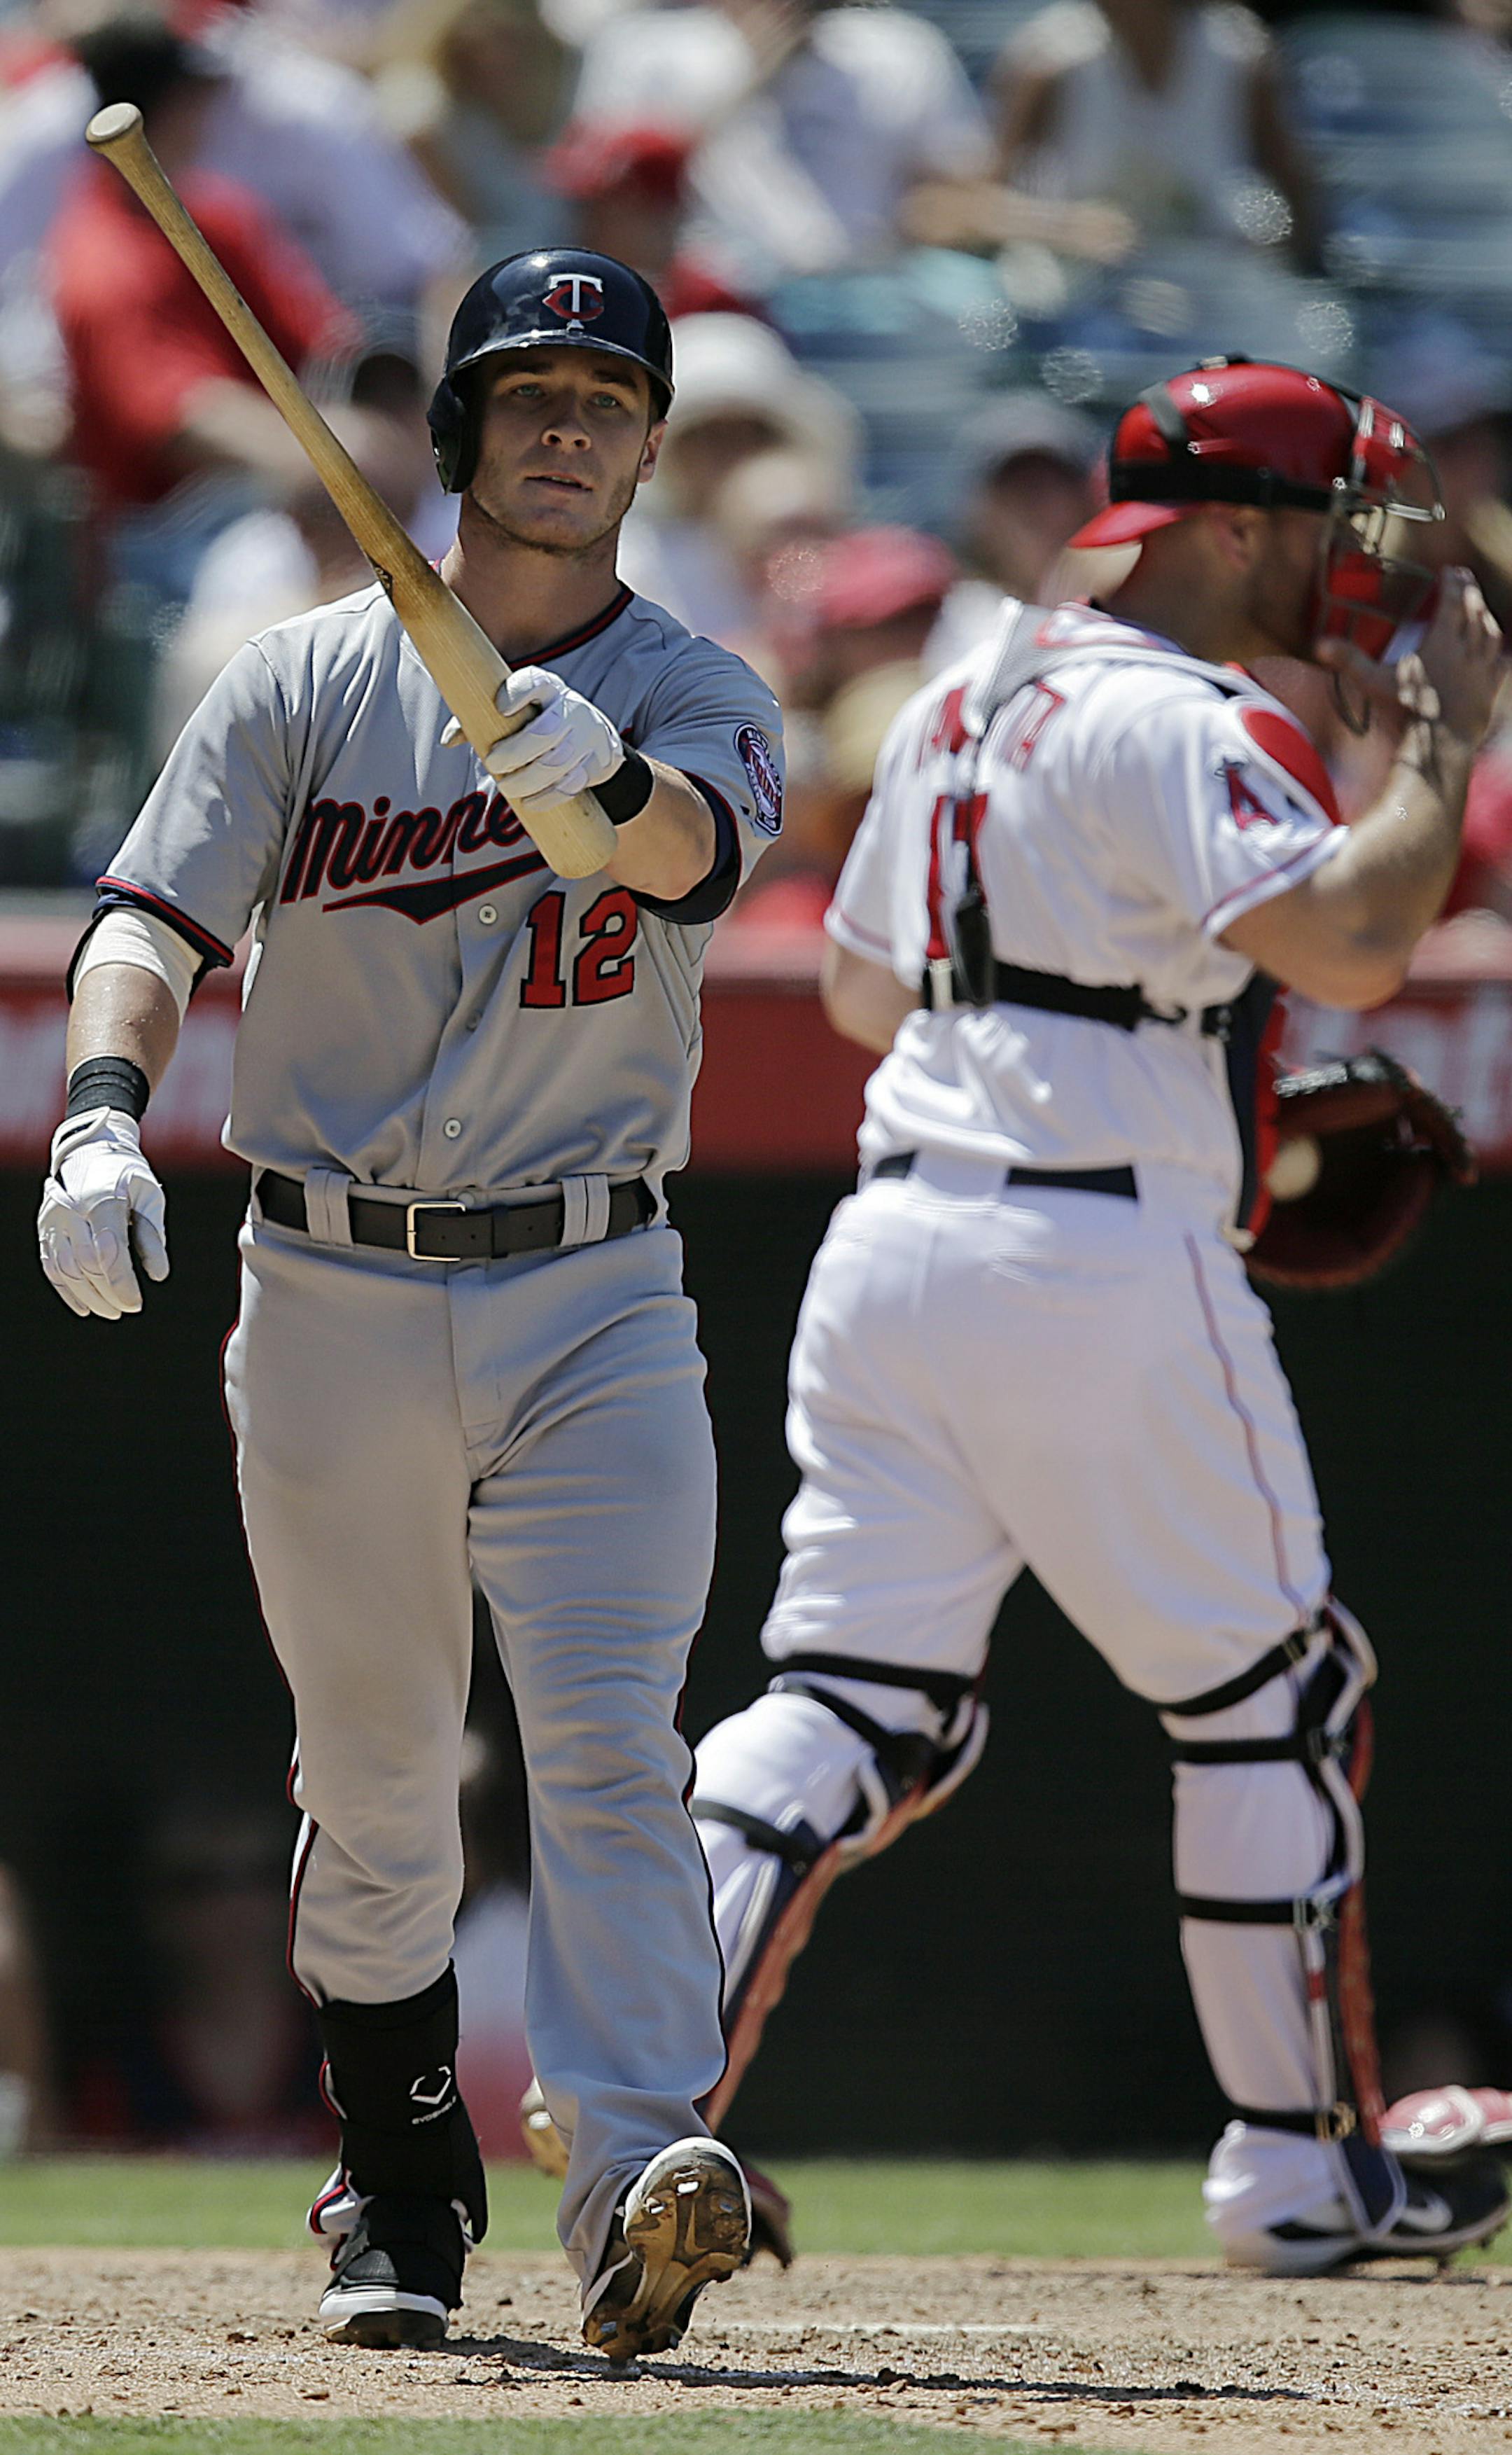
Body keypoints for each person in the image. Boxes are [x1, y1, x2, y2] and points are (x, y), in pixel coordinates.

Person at [676, 361, 1510, 2269]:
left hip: (892, 1246)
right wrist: (1445, 751)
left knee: (846, 1703)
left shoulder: (965, 690)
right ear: (1224, 528)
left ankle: (639, 2092)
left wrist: (1146, 1036)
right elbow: (1361, 939)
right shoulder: (1190, 711)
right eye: (1321, 525)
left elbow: (875, 1000)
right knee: (1275, 1694)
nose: (1349, 564)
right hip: (1101, 1253)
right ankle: (1303, 2170)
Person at [35, 245, 785, 2362]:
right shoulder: (295, 678)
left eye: (606, 400)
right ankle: (401, 2162)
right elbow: (147, 921)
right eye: (528, 392)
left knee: (614, 1743)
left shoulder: (697, 688)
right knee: (372, 1770)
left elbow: (690, 858)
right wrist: (104, 1116)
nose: (568, 426)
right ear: (456, 434)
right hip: (332, 1267)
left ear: (649, 446)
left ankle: (644, 2167)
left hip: (600, 1280)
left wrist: (598, 792)